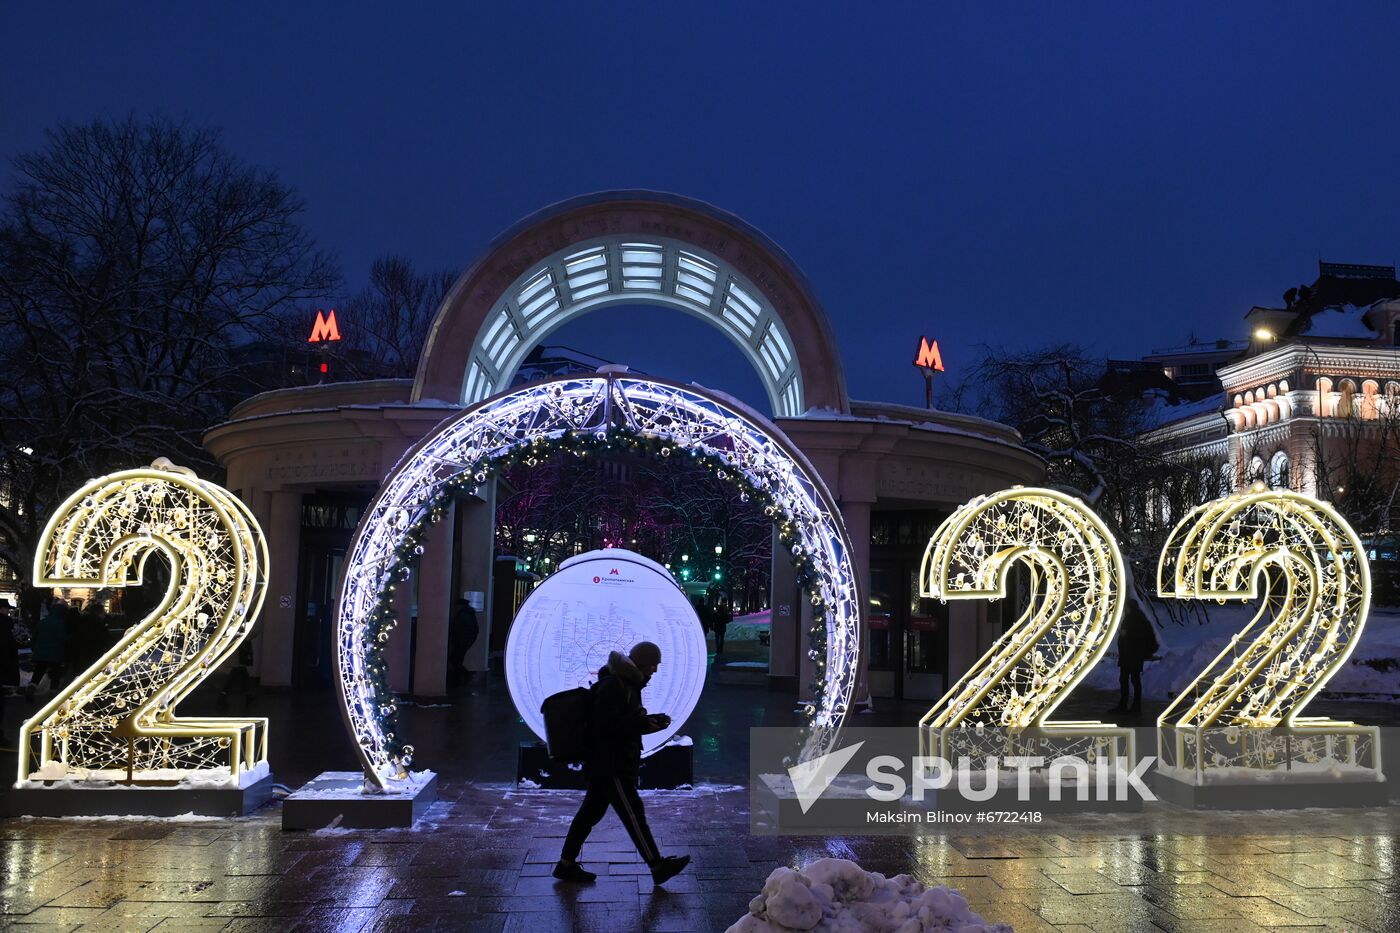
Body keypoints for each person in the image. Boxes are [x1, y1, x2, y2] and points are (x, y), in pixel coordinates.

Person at [555, 641, 689, 886]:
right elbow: (604, 726)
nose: (655, 671)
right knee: (633, 814)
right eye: (652, 665)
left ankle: (566, 864)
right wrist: (641, 725)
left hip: (610, 762)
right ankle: (657, 866)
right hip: (612, 765)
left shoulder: (626, 684)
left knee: (589, 813)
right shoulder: (614, 685)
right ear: (641, 663)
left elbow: (621, 721)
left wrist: (649, 721)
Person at [1112, 599, 1159, 715]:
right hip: (1129, 655)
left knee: (1132, 680)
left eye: (1126, 606)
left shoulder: (1136, 618)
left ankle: (1133, 707)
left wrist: (1127, 635)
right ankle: (1127, 705)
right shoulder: (1134, 617)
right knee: (1127, 679)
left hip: (1133, 655)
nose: (1124, 609)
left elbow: (1141, 636)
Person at [26, 598, 68, 701]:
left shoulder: (43, 622)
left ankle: (31, 688)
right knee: (55, 674)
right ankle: (52, 695)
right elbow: (62, 638)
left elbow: (34, 637)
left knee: (38, 673)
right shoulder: (60, 623)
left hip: (40, 653)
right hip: (55, 654)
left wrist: (34, 649)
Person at [448, 598, 480, 687]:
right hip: (465, 642)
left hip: (461, 642)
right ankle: (462, 678)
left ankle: (463, 677)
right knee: (456, 660)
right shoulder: (469, 614)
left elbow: (457, 628)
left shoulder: (463, 615)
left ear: (460, 606)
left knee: (455, 660)